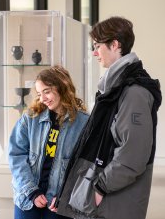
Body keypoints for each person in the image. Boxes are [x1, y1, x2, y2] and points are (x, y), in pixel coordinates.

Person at [55, 17, 162, 219]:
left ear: (115, 45)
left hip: (115, 202)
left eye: (97, 46)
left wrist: (99, 188)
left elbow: (132, 156)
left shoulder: (133, 92)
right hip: (109, 201)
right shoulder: (115, 88)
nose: (94, 52)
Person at [8, 65, 89, 219]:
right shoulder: (30, 119)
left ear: (62, 88)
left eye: (47, 91)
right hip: (28, 199)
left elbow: (84, 166)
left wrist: (65, 196)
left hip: (59, 204)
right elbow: (16, 157)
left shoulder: (84, 123)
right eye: (39, 94)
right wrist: (31, 191)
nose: (43, 98)